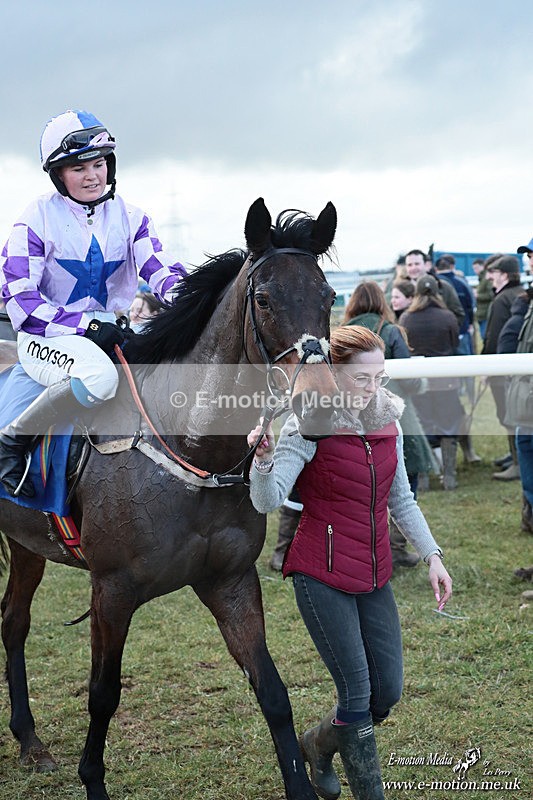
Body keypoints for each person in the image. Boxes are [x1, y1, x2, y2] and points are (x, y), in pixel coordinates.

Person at [247, 325, 452, 800]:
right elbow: (268, 500)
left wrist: (432, 555)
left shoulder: (389, 421)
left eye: (379, 378)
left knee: (387, 692)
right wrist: (261, 460)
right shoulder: (307, 424)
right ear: (335, 375)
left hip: (375, 571)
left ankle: (317, 744)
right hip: (320, 574)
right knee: (357, 693)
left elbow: (402, 499)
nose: (372, 388)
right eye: (362, 379)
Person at [0, 109, 187, 498]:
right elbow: (20, 300)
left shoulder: (133, 218)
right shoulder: (36, 217)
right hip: (44, 337)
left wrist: (198, 299)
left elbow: (161, 271)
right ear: (58, 175)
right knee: (99, 378)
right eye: (78, 168)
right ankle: (11, 442)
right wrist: (86, 327)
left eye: (99, 164)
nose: (92, 176)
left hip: (111, 331)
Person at [343, 280, 435, 567]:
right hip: (391, 413)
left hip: (350, 421)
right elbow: (411, 381)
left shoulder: (343, 333)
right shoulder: (392, 331)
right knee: (403, 486)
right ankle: (395, 548)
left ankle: (369, 549)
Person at [400, 274, 464, 490]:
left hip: (421, 382)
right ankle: (449, 476)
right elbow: (454, 344)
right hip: (446, 381)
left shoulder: (406, 318)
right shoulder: (448, 316)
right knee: (448, 427)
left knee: (423, 426)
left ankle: (424, 478)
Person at [482, 255, 524, 481]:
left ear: (504, 275)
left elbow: (494, 336)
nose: (490, 277)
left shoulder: (501, 299)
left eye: (494, 272)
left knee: (507, 414)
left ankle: (518, 462)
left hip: (502, 366)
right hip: (518, 365)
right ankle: (514, 455)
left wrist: (485, 365)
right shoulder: (520, 293)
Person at [404, 249, 465, 328]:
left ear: (427, 265)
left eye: (417, 264)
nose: (413, 268)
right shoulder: (401, 290)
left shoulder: (443, 287)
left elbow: (459, 314)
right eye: (409, 265)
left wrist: (445, 330)